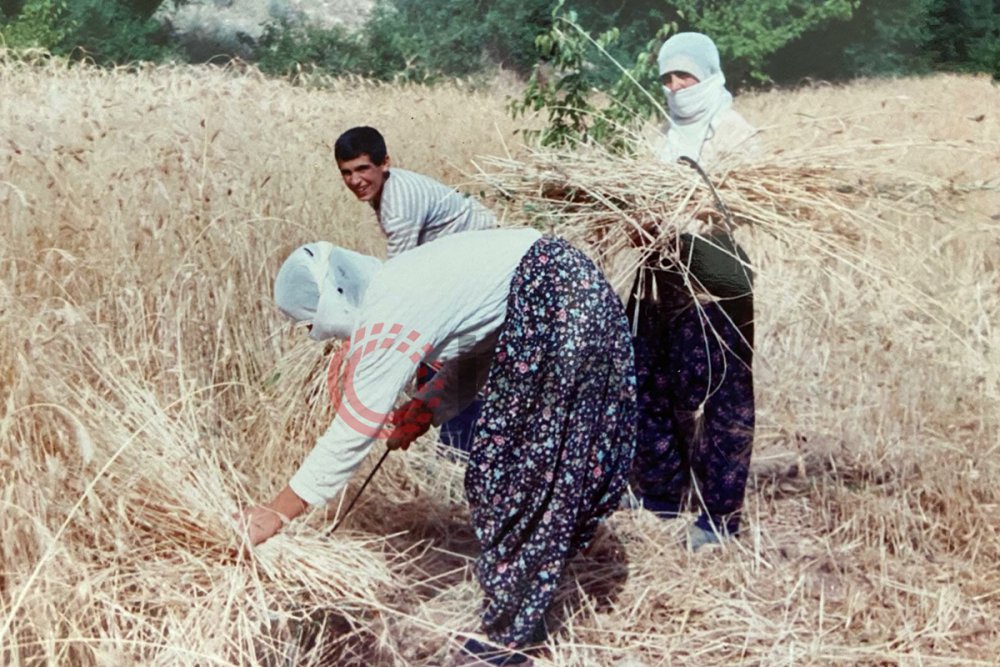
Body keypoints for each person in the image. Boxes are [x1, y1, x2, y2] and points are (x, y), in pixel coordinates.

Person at [240, 228, 636, 666]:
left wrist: (276, 512)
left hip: (561, 311)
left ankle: (507, 642)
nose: (320, 333)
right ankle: (525, 608)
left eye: (313, 322)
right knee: (527, 472)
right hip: (575, 295)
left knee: (512, 477)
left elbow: (355, 426)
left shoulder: (386, 310)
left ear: (332, 301)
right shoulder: (401, 280)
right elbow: (480, 342)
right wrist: (429, 406)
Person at [627, 32, 759, 551]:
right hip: (663, 270)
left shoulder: (734, 133)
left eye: (686, 76)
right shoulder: (661, 136)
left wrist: (693, 218)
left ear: (709, 74)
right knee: (654, 379)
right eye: (668, 78)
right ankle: (660, 493)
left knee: (721, 393)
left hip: (720, 271)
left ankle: (717, 516)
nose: (677, 87)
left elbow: (743, 208)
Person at [334, 125, 495, 452]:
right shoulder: (390, 191)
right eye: (347, 173)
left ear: (385, 163)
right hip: (460, 265)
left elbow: (399, 279)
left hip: (481, 267)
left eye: (363, 168)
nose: (355, 181)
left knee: (452, 358)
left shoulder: (399, 207)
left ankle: (458, 452)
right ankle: (453, 448)